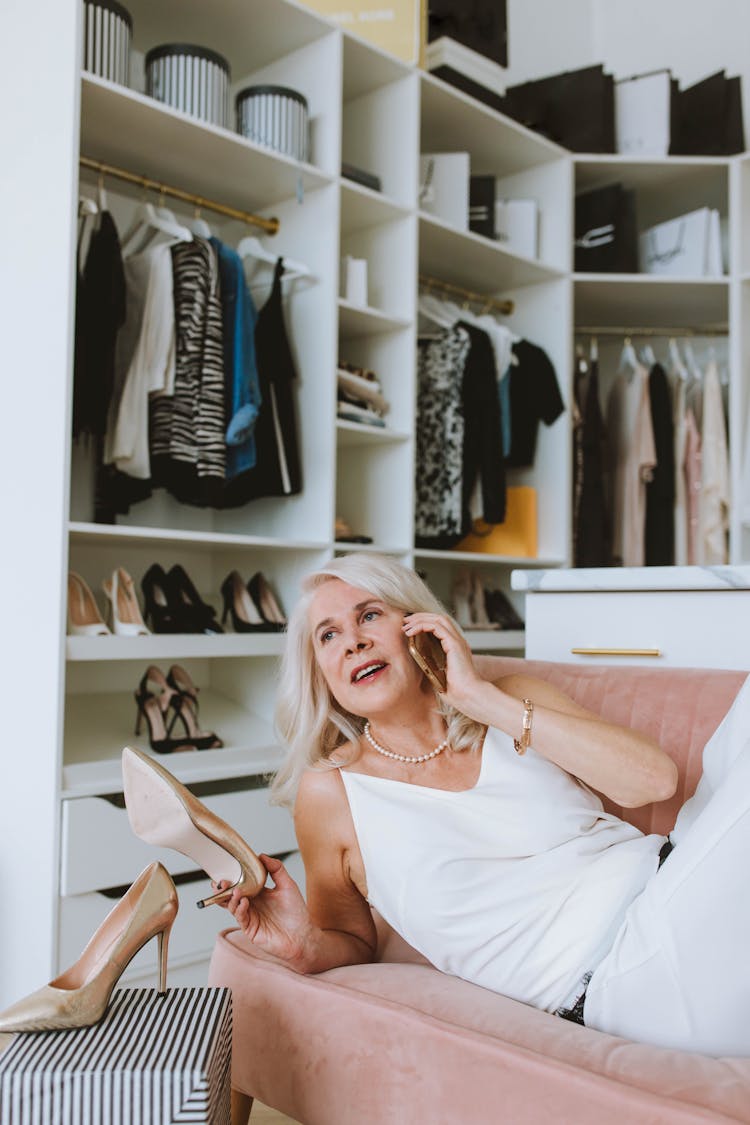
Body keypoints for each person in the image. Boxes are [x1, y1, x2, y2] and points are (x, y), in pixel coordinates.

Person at [218, 552, 750, 1057]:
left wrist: (476, 697)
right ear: (321, 675)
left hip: (677, 876)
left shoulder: (510, 698)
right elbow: (354, 940)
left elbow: (653, 781)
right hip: (623, 974)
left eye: (370, 615)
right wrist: (303, 945)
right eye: (328, 635)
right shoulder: (331, 791)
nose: (353, 642)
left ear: (418, 625)